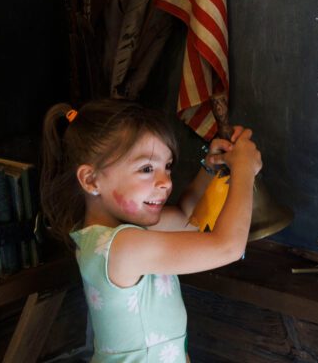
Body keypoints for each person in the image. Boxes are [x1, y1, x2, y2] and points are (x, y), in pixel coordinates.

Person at [41, 99, 261, 362]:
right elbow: (228, 247)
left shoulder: (114, 234)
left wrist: (211, 167)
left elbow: (187, 219)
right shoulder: (122, 247)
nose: (166, 182)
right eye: (147, 169)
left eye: (166, 166)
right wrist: (244, 171)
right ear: (91, 180)